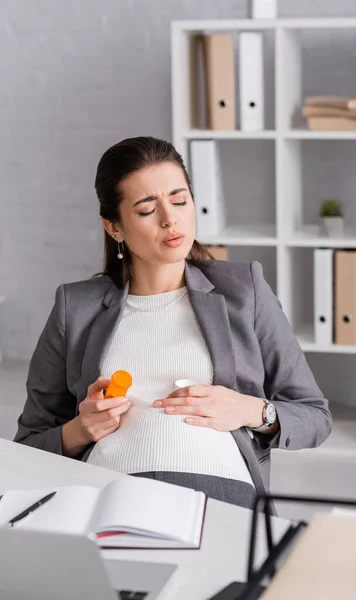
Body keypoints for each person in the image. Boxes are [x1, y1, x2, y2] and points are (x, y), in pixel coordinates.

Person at [14, 136, 332, 509]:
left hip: (221, 491)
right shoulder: (75, 306)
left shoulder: (245, 289)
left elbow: (314, 416)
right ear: (114, 228)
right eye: (148, 210)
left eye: (180, 200)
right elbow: (30, 444)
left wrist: (250, 410)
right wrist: (79, 430)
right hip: (110, 492)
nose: (171, 218)